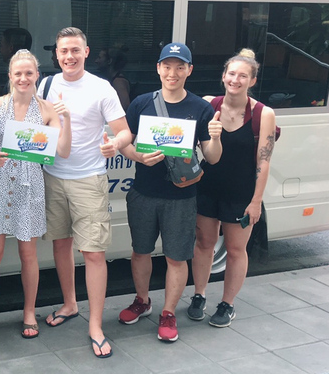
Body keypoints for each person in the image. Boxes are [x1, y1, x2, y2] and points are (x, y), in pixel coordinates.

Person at [37, 27, 133, 359]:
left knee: (92, 254)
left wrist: (114, 144)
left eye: (75, 50)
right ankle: (69, 304)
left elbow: (124, 132)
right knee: (60, 244)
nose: (69, 57)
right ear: (57, 54)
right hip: (52, 176)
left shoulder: (101, 88)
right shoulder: (46, 85)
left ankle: (95, 325)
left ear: (86, 52)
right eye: (64, 51)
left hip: (88, 180)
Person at [118, 42, 222, 342]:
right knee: (140, 252)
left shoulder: (201, 108)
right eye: (167, 66)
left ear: (189, 70)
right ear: (158, 68)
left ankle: (169, 312)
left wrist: (215, 137)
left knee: (177, 258)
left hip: (182, 196)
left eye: (179, 66)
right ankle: (142, 301)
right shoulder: (141, 103)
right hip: (143, 191)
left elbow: (212, 157)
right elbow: (126, 141)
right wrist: (137, 155)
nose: (172, 73)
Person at [0, 49, 71, 343]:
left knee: (28, 255)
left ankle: (29, 312)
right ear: (10, 76)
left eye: (29, 73)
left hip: (29, 187)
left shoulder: (49, 110)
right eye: (18, 73)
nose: (24, 78)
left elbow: (62, 151)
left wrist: (67, 120)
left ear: (37, 75)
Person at [188, 49, 276, 327]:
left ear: (252, 80)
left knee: (237, 250)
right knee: (204, 244)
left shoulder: (263, 114)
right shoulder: (208, 105)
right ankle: (199, 295)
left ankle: (227, 304)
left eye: (242, 75)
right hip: (207, 187)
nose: (235, 80)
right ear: (223, 76)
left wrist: (256, 202)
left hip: (241, 192)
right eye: (231, 74)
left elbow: (264, 162)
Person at [95, 46, 131, 110]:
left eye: (100, 58)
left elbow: (124, 106)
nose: (96, 61)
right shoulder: (111, 80)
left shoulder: (118, 82)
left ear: (109, 61)